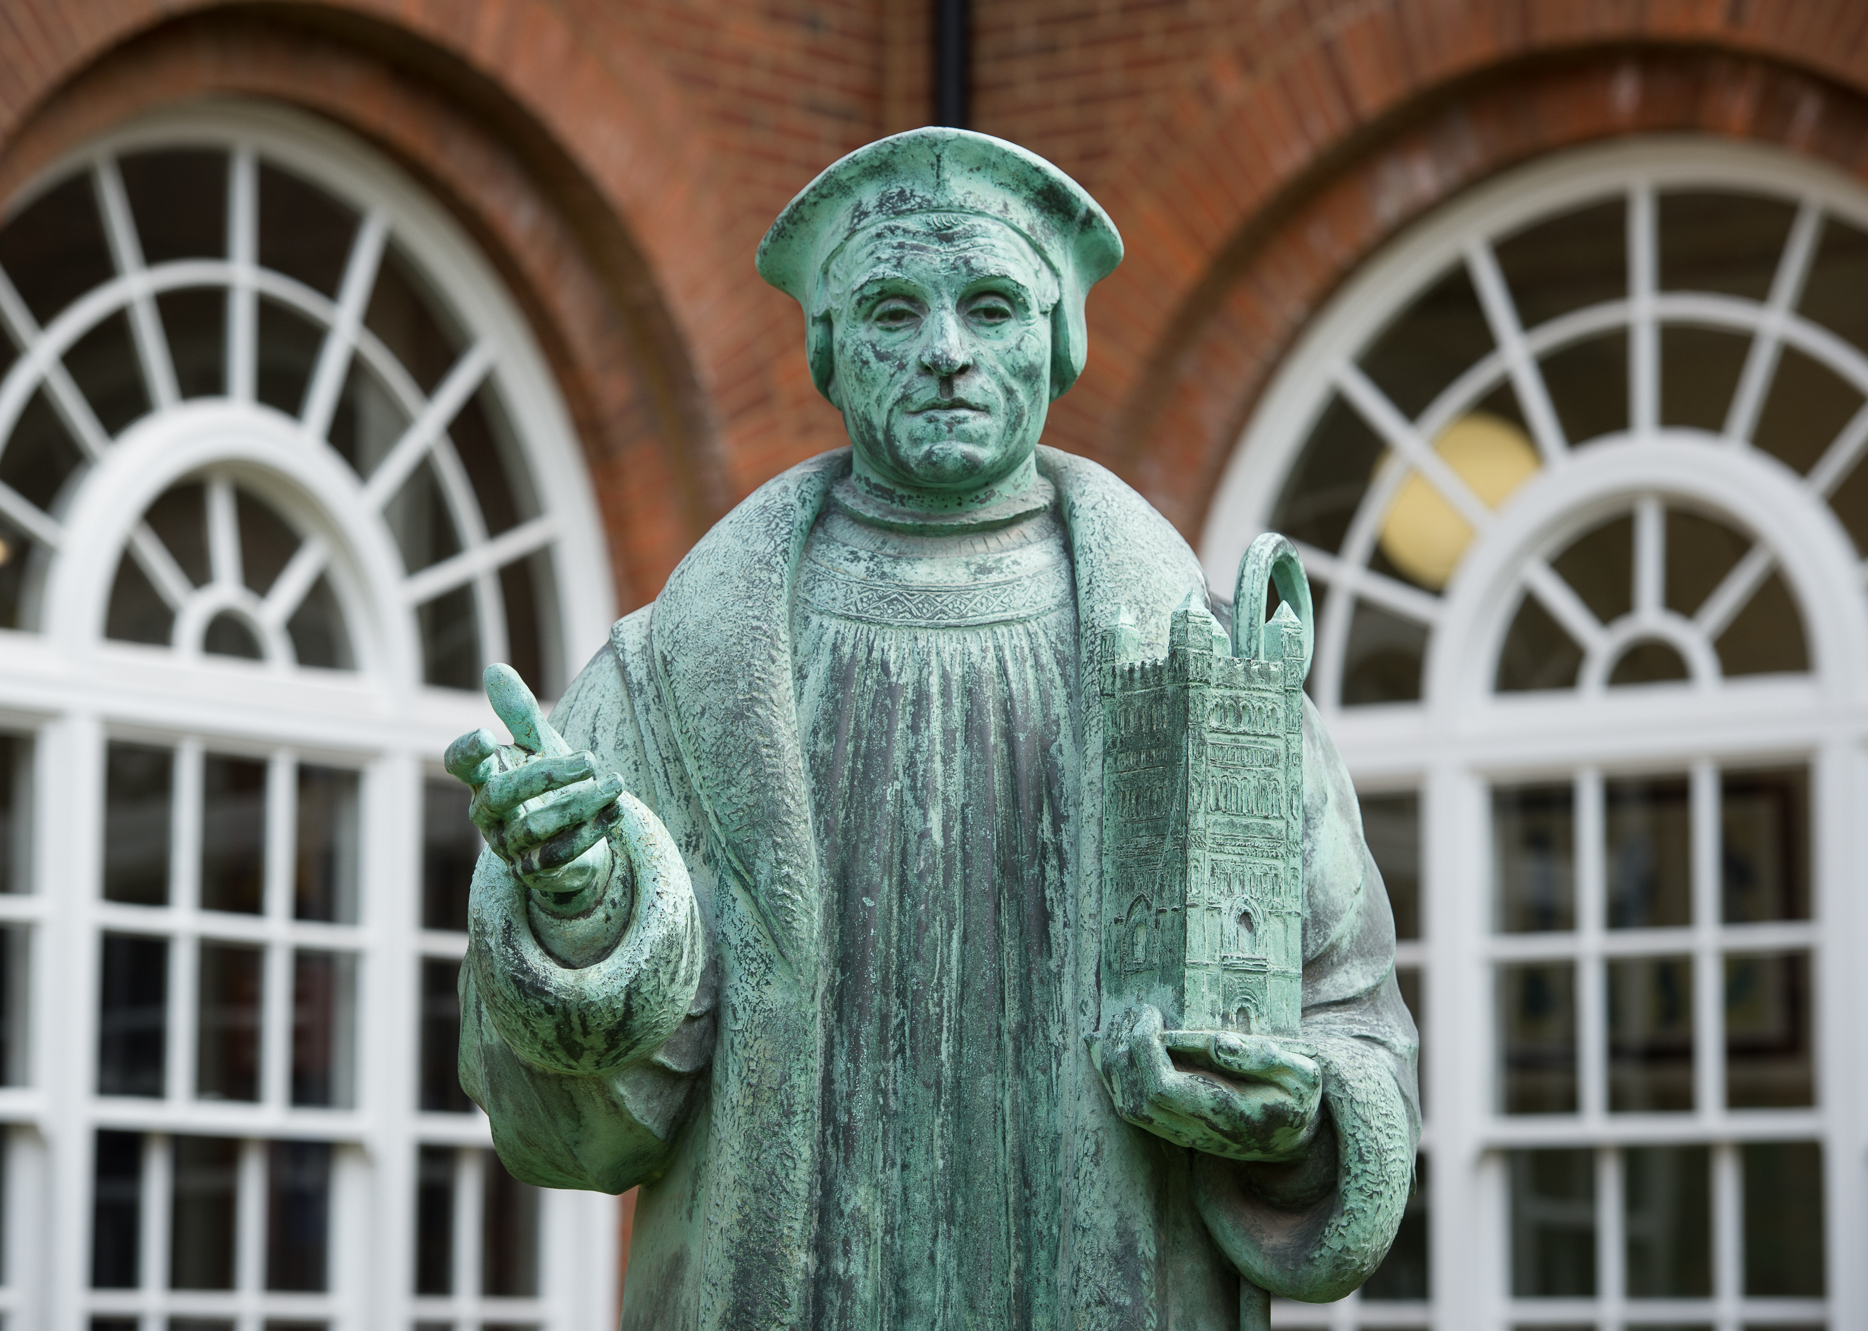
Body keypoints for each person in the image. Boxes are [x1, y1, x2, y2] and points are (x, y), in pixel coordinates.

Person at [448, 127, 1418, 1331]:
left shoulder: (1205, 668)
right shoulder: (676, 671)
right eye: (894, 311)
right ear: (828, 351)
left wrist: (1298, 1124)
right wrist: (585, 909)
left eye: (993, 307)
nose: (947, 353)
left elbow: (1350, 1020)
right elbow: (566, 1128)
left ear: (1058, 341)